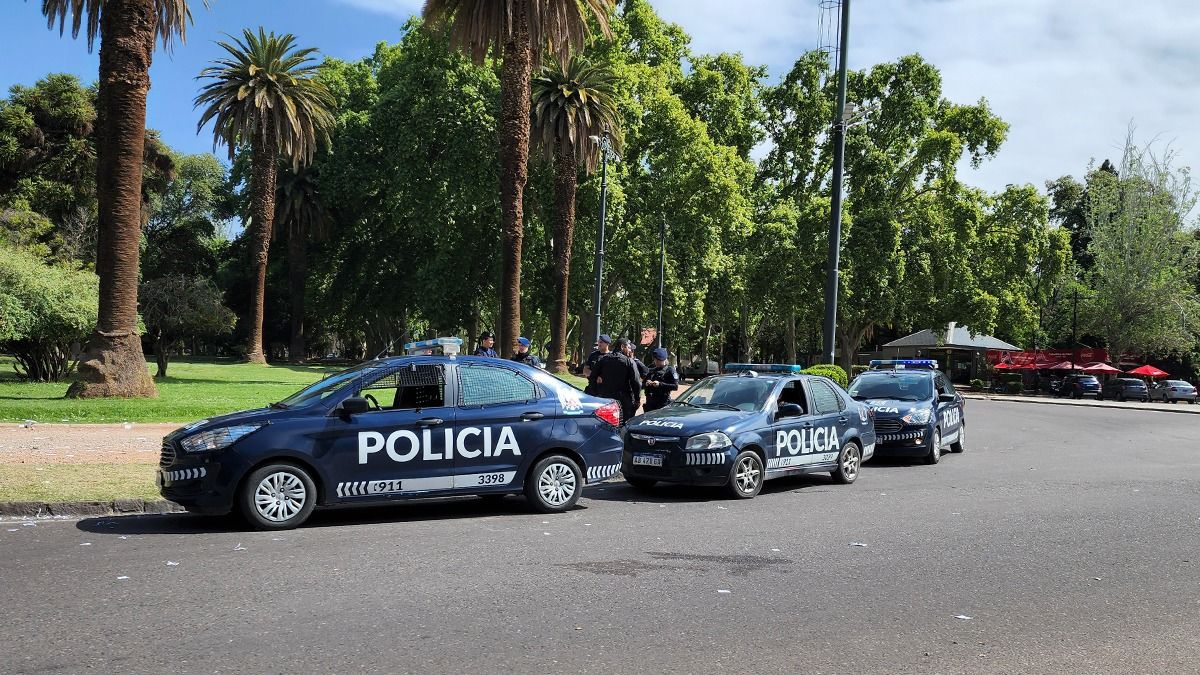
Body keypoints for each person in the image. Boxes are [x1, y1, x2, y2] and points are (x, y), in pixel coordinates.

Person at [593, 338, 642, 423]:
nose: (630, 350)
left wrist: (598, 393)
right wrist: (637, 399)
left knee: (606, 424)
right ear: (622, 347)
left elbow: (592, 377)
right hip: (624, 401)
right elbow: (636, 382)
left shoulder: (604, 359)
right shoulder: (629, 361)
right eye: (629, 347)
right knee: (625, 425)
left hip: (606, 400)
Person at [642, 347, 680, 412]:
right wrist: (646, 383)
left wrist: (660, 384)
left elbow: (675, 386)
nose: (656, 362)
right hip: (650, 404)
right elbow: (642, 385)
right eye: (655, 360)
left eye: (659, 360)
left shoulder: (670, 370)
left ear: (664, 360)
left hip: (662, 403)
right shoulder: (651, 369)